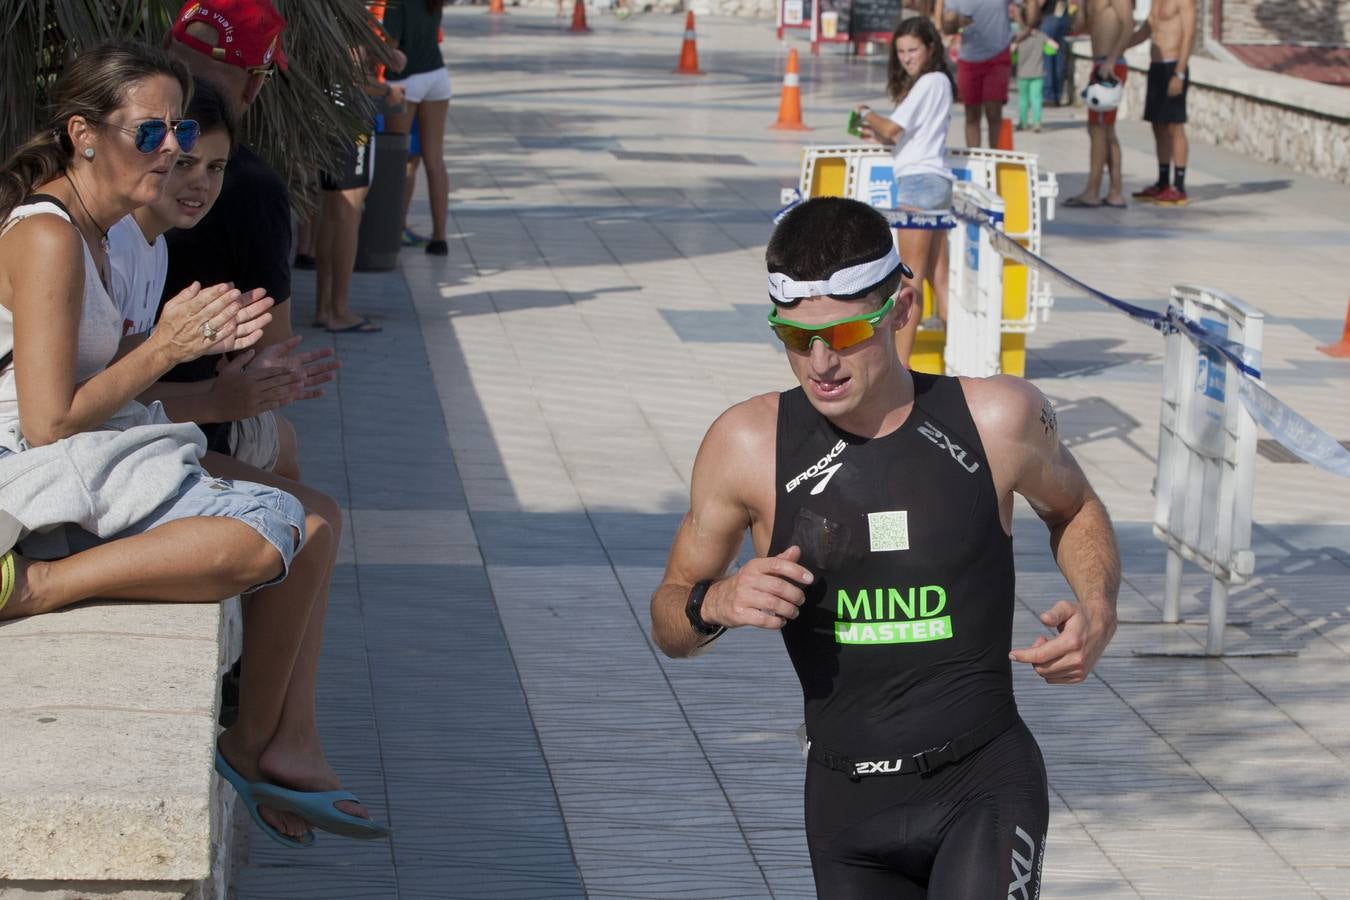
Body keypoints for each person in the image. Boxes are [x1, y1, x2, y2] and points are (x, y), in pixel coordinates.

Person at [650, 197, 1120, 895]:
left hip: (984, 784)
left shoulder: (997, 418)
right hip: (845, 807)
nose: (819, 363)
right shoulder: (745, 445)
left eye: (844, 333)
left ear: (903, 306)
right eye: (794, 336)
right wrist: (717, 600)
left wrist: (1098, 605)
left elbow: (1076, 508)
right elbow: (669, 619)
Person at [0, 40, 389, 848]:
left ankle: (260, 744)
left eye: (178, 130)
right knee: (272, 532)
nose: (175, 151)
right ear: (82, 134)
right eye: (152, 133)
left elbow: (108, 399)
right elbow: (46, 423)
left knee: (308, 519)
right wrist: (169, 350)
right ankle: (32, 585)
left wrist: (207, 381)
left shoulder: (110, 233)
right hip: (33, 468)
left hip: (100, 450)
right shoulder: (46, 235)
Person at [107, 79, 338, 479]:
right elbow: (93, 408)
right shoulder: (107, 243)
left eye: (216, 167)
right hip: (80, 458)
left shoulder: (152, 245)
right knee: (305, 516)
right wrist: (211, 394)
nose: (202, 182)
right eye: (184, 163)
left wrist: (240, 376)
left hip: (129, 442)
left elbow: (127, 395)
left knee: (298, 494)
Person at [854, 16, 955, 363]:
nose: (906, 57)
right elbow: (905, 136)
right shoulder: (939, 82)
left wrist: (866, 112)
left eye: (913, 49)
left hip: (919, 185)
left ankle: (902, 368)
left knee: (909, 282)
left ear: (930, 48)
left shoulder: (928, 82)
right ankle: (956, 356)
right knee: (938, 278)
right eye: (900, 51)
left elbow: (894, 129)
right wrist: (877, 132)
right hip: (936, 182)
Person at [312, 51, 407, 332]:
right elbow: (361, 71)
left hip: (329, 114)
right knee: (348, 214)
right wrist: (388, 89)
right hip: (350, 119)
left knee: (332, 214)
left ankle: (324, 307)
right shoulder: (350, 14)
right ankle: (338, 310)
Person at [383, 0, 452, 257]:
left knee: (398, 159)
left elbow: (391, 47)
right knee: (434, 160)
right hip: (437, 76)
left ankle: (394, 228)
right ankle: (440, 238)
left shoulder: (395, 2)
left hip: (405, 80)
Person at [1063, 0, 1132, 207]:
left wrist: (1112, 59)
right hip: (1100, 63)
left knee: (1099, 128)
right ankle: (1114, 191)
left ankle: (1093, 191)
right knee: (1103, 129)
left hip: (1111, 64)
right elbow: (1079, 27)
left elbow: (1128, 26)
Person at [938, 0, 1033, 147]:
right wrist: (954, 21)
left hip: (998, 55)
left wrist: (1028, 29)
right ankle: (976, 162)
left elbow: (1029, 8)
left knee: (994, 112)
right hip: (969, 58)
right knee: (972, 114)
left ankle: (994, 160)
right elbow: (948, 28)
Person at [1128, 0, 1194, 206]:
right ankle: (1163, 182)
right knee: (1158, 124)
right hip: (1156, 66)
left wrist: (1179, 73)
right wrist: (1120, 44)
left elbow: (1189, 35)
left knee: (1175, 125)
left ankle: (1179, 187)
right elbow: (1148, 29)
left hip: (1173, 65)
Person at [1012, 7, 1051, 131]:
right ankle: (1037, 123)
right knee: (1036, 99)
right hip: (1038, 73)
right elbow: (1055, 46)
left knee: (1023, 99)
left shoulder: (1019, 37)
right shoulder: (1041, 36)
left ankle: (1023, 123)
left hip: (1022, 74)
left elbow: (1011, 51)